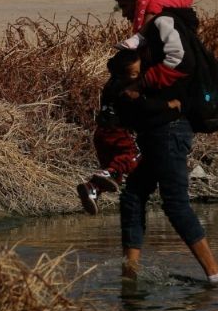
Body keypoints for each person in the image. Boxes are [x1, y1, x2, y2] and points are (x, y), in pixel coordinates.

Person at [112, 0, 218, 286]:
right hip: (157, 130)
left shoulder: (163, 25)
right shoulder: (151, 33)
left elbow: (182, 65)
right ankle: (130, 273)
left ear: (138, 2)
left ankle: (216, 277)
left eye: (125, 7)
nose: (125, 15)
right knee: (133, 196)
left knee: (175, 203)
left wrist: (140, 85)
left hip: (169, 130)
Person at [75, 49, 182, 214]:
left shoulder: (112, 82)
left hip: (100, 133)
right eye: (135, 74)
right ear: (124, 75)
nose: (139, 77)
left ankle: (92, 189)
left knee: (115, 176)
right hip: (115, 133)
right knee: (134, 156)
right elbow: (145, 106)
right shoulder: (127, 90)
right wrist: (169, 105)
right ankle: (104, 174)